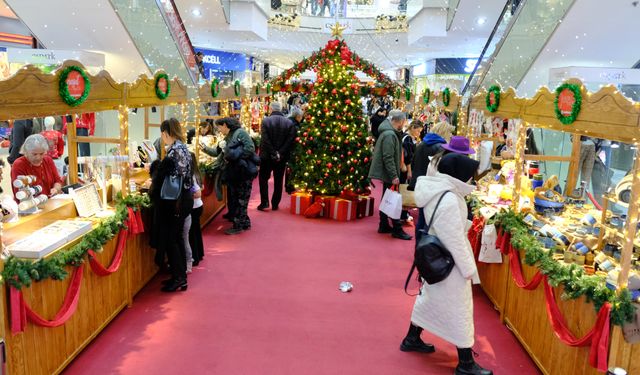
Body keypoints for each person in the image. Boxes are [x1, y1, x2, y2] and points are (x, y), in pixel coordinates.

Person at [402, 152, 492, 375]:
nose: (471, 179)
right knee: (459, 308)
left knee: (430, 298)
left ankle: (412, 337)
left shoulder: (438, 189)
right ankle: (465, 363)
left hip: (436, 258)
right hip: (449, 262)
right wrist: (469, 268)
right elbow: (454, 239)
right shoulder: (450, 198)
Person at [149, 118, 193, 292]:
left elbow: (171, 179)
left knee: (171, 240)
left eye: (162, 134)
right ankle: (179, 276)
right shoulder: (182, 148)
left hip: (175, 201)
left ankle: (179, 277)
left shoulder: (175, 151)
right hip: (183, 198)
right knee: (176, 238)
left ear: (166, 133)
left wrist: (157, 171)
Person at [204, 117, 257, 234]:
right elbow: (218, 152)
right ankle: (244, 222)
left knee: (241, 199)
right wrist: (204, 149)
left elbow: (250, 148)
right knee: (238, 198)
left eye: (219, 127)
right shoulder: (228, 136)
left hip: (242, 172)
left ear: (225, 125)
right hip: (236, 172)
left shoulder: (240, 133)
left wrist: (234, 157)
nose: (218, 129)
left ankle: (238, 225)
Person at [368, 109, 412, 240]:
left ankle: (384, 224)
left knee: (387, 197)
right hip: (389, 172)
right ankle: (396, 228)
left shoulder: (389, 132)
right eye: (403, 123)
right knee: (393, 200)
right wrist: (394, 175)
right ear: (398, 121)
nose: (403, 125)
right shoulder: (390, 135)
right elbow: (388, 157)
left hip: (387, 171)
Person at [258, 101, 296, 211]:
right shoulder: (289, 123)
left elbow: (265, 140)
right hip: (282, 157)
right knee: (278, 180)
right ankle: (275, 203)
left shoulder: (266, 121)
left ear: (270, 109)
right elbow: (290, 140)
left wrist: (273, 152)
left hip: (266, 156)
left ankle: (264, 202)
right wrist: (280, 153)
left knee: (263, 179)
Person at [399, 120, 423, 222]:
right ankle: (403, 214)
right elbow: (407, 156)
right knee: (404, 189)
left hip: (404, 167)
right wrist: (409, 171)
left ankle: (403, 213)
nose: (419, 133)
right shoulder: (407, 139)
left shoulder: (407, 137)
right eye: (418, 131)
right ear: (413, 128)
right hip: (404, 168)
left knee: (402, 189)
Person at [189, 153, 205, 266]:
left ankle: (195, 257)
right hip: (198, 206)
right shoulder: (197, 172)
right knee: (196, 231)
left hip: (194, 206)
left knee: (192, 233)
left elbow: (197, 193)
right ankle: (199, 253)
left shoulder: (191, 175)